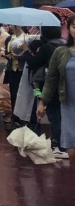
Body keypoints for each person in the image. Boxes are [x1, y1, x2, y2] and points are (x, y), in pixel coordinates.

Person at [37, 23, 75, 161]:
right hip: (68, 104)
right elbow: (51, 78)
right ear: (69, 29)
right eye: (74, 26)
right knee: (71, 150)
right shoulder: (60, 52)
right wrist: (42, 101)